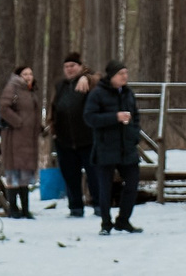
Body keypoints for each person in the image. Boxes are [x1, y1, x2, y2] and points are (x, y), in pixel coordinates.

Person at [82, 62, 143, 234]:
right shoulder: (97, 94)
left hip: (127, 147)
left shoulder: (128, 93)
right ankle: (105, 223)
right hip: (106, 146)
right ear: (111, 76)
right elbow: (89, 118)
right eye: (120, 73)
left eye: (126, 72)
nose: (124, 76)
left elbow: (136, 116)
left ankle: (123, 220)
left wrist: (134, 134)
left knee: (132, 183)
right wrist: (114, 117)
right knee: (105, 187)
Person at [50, 52, 93, 218]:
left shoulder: (89, 81)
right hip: (64, 139)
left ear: (80, 67)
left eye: (73, 66)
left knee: (94, 175)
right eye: (66, 66)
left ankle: (97, 205)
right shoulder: (60, 85)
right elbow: (53, 106)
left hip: (87, 138)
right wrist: (52, 129)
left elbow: (98, 77)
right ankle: (75, 207)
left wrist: (86, 77)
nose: (69, 69)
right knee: (70, 176)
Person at [0, 63, 41, 218]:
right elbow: (4, 107)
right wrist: (18, 122)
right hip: (14, 136)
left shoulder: (31, 91)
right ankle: (13, 208)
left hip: (28, 138)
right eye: (25, 74)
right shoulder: (12, 87)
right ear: (19, 76)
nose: (28, 77)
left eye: (30, 74)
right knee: (14, 172)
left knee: (25, 173)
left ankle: (25, 209)